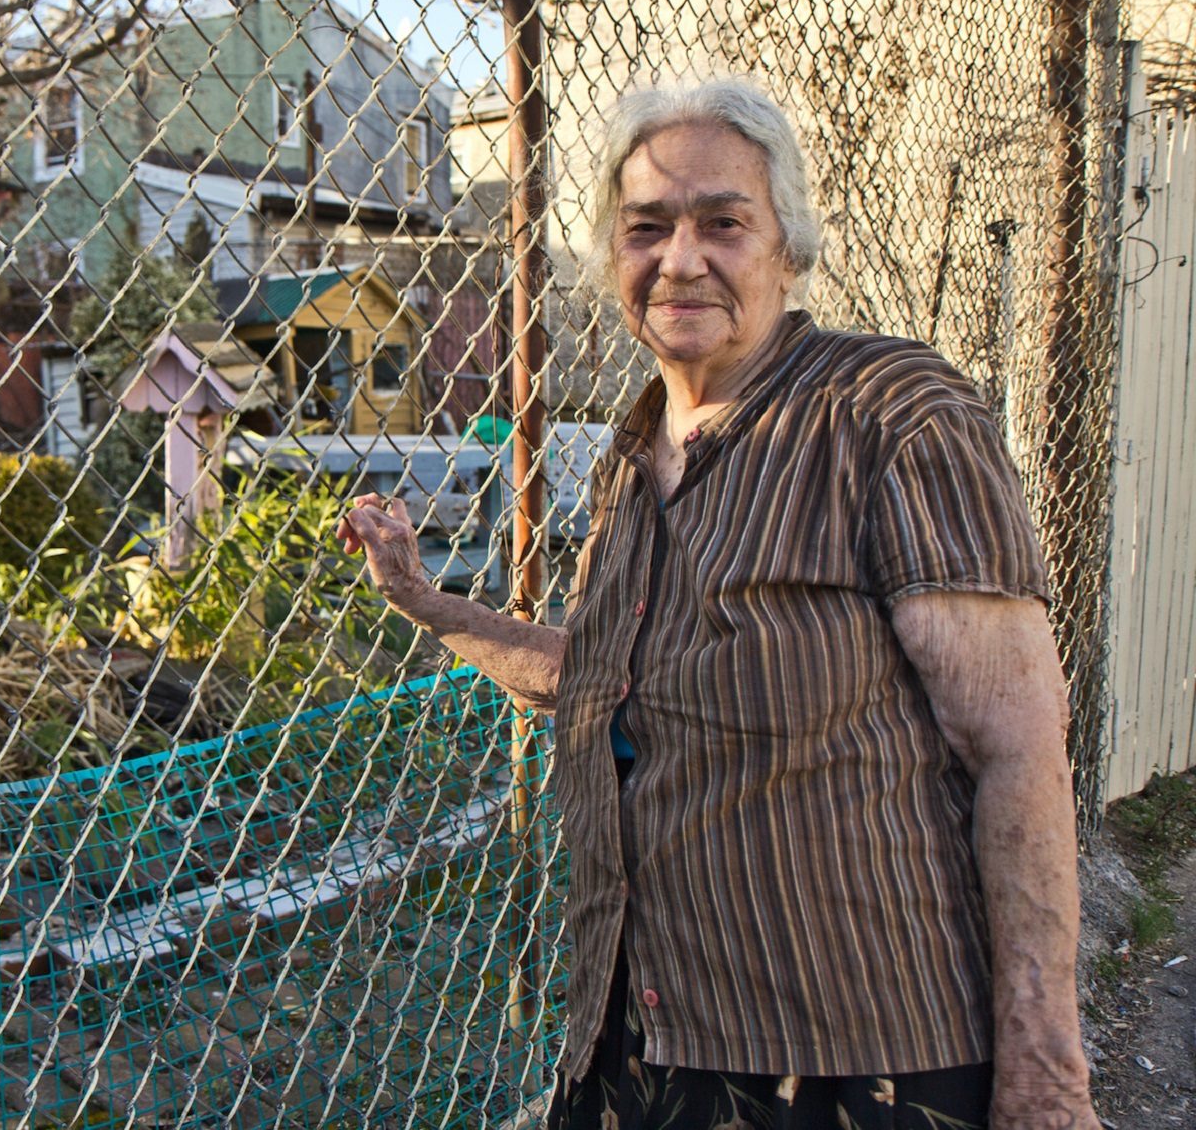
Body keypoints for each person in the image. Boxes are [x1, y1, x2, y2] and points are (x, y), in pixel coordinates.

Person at [337, 77, 1099, 1130]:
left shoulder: (888, 416)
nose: (681, 257)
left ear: (788, 243)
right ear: (612, 255)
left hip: (852, 1066)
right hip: (633, 1050)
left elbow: (1017, 743)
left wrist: (1048, 1081)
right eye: (647, 226)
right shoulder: (626, 459)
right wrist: (429, 603)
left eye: (722, 223)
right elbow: (600, 680)